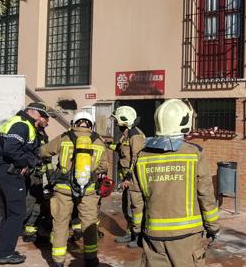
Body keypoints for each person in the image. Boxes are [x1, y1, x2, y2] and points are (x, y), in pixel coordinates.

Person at [135, 99, 220, 267]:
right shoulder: (194, 153)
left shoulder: (142, 156)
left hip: (153, 236)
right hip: (186, 237)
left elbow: (136, 197)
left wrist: (137, 228)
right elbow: (205, 193)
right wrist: (213, 226)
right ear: (183, 122)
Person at [40, 110, 109, 267]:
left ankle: (58, 261)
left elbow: (44, 151)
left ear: (74, 123)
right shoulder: (98, 141)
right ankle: (91, 259)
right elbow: (103, 166)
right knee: (89, 224)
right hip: (88, 190)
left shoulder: (64, 138)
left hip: (63, 190)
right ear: (91, 124)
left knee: (61, 224)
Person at [0, 102, 49, 265]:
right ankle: (5, 254)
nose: (46, 121)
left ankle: (5, 249)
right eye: (44, 116)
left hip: (3, 171)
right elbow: (11, 149)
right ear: (35, 113)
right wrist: (28, 162)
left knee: (9, 214)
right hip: (10, 174)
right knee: (16, 214)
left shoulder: (18, 122)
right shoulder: (22, 125)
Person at [110, 106, 146, 248]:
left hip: (133, 179)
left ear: (124, 120)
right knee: (126, 206)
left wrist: (128, 177)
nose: (116, 123)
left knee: (135, 207)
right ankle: (130, 232)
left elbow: (136, 157)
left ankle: (138, 236)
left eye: (117, 120)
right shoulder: (127, 133)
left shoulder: (135, 135)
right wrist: (105, 144)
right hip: (127, 177)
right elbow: (120, 148)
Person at [23, 127, 50, 242]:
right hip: (31, 176)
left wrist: (50, 174)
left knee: (38, 204)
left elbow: (47, 157)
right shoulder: (31, 133)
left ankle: (30, 231)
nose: (47, 122)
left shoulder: (43, 134)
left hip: (39, 177)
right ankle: (11, 228)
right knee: (29, 203)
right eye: (45, 118)